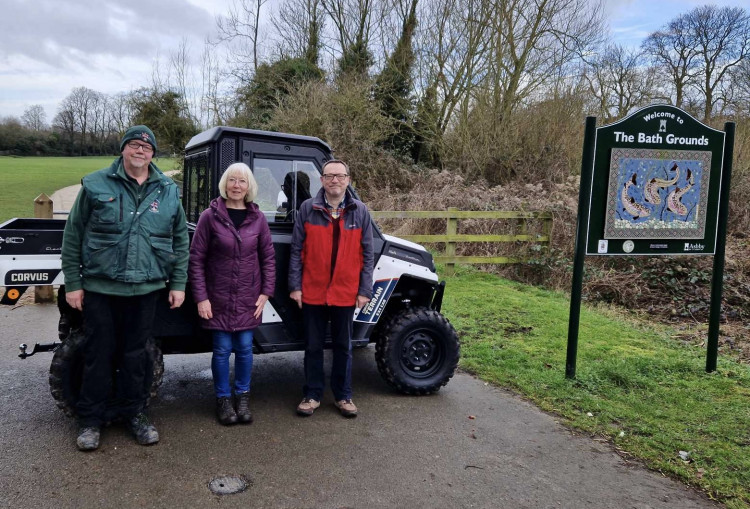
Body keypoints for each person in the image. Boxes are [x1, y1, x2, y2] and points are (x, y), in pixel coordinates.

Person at [61, 125, 189, 451]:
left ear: (152, 154)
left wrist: (177, 283)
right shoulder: (95, 185)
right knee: (97, 354)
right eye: (133, 145)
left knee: (136, 357)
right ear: (123, 149)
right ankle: (90, 420)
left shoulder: (167, 190)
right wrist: (73, 283)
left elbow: (179, 240)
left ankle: (136, 414)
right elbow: (73, 235)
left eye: (146, 148)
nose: (139, 151)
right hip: (100, 289)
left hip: (146, 290)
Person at [189, 162, 276, 425]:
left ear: (249, 187)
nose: (236, 186)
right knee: (222, 350)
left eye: (242, 181)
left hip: (249, 298)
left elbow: (268, 258)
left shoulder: (258, 218)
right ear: (225, 184)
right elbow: (196, 259)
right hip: (218, 297)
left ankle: (243, 397)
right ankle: (223, 400)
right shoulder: (210, 216)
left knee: (245, 349)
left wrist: (266, 292)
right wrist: (201, 297)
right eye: (232, 180)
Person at [289, 159, 374, 418]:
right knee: (313, 346)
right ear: (322, 180)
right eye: (329, 175)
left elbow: (367, 254)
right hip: (312, 291)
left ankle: (343, 395)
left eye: (339, 175)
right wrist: (295, 286)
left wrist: (364, 290)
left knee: (343, 347)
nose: (334, 180)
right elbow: (296, 251)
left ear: (348, 179)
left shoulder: (360, 211)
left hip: (346, 292)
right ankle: (312, 394)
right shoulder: (307, 208)